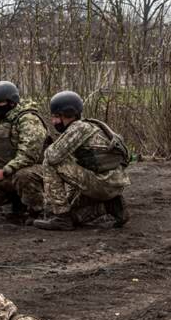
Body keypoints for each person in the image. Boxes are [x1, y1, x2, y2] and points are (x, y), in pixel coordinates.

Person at [32, 91, 131, 232]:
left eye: (55, 117)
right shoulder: (93, 126)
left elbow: (52, 156)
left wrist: (48, 147)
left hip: (102, 183)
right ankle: (111, 206)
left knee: (50, 163)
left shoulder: (78, 128)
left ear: (67, 114)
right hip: (113, 182)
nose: (53, 122)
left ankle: (61, 218)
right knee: (74, 216)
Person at [0, 81, 49, 220]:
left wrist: (6, 170)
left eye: (0, 104)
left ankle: (38, 210)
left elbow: (29, 154)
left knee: (23, 175)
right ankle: (17, 202)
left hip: (35, 171)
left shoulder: (28, 120)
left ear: (12, 102)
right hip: (5, 172)